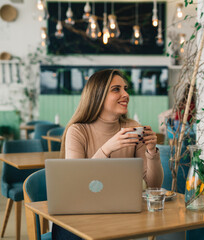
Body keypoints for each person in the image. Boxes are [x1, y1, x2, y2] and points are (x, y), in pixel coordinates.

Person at [54, 69, 164, 239]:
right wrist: (107, 149)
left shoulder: (133, 127)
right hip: (81, 215)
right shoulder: (78, 131)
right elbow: (75, 184)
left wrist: (152, 151)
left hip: (122, 212)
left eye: (125, 88)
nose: (125, 94)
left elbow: (153, 185)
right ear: (97, 95)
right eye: (116, 89)